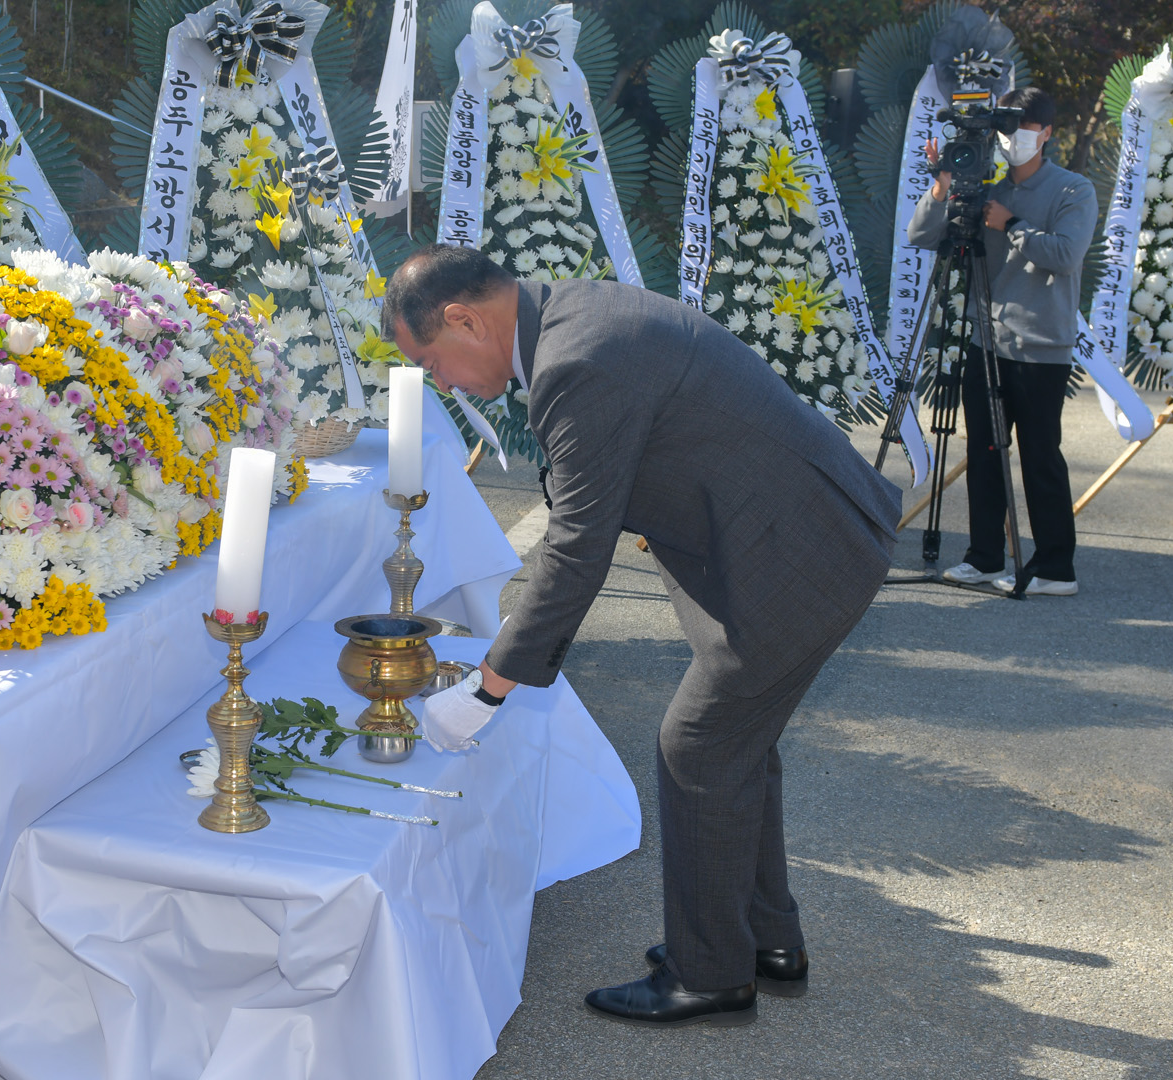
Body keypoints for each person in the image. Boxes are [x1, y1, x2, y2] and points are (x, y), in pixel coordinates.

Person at [384, 244, 900, 1028]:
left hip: (798, 552)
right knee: (734, 745)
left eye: (432, 362)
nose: (444, 383)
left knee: (698, 746)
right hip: (781, 537)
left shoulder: (574, 360)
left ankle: (710, 975)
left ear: (464, 319)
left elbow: (577, 546)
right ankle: (765, 942)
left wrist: (486, 690)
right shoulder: (570, 317)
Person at [908, 86, 1098, 596]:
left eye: (1023, 129)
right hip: (987, 343)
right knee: (986, 453)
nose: (1013, 140)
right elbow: (921, 236)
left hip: (1042, 349)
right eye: (1006, 130)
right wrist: (943, 187)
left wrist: (1011, 224)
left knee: (1040, 457)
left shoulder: (1073, 189)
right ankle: (985, 557)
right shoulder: (988, 190)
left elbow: (1064, 255)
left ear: (1047, 132)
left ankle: (1055, 568)